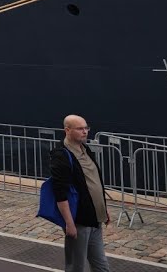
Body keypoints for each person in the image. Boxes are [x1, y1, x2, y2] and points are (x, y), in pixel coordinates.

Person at [50, 115, 112, 272]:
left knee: (101, 266)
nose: (85, 132)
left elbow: (94, 182)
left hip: (95, 219)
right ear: (67, 130)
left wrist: (103, 209)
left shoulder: (86, 149)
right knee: (76, 267)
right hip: (79, 221)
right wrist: (69, 223)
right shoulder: (61, 156)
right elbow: (60, 193)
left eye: (86, 128)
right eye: (80, 129)